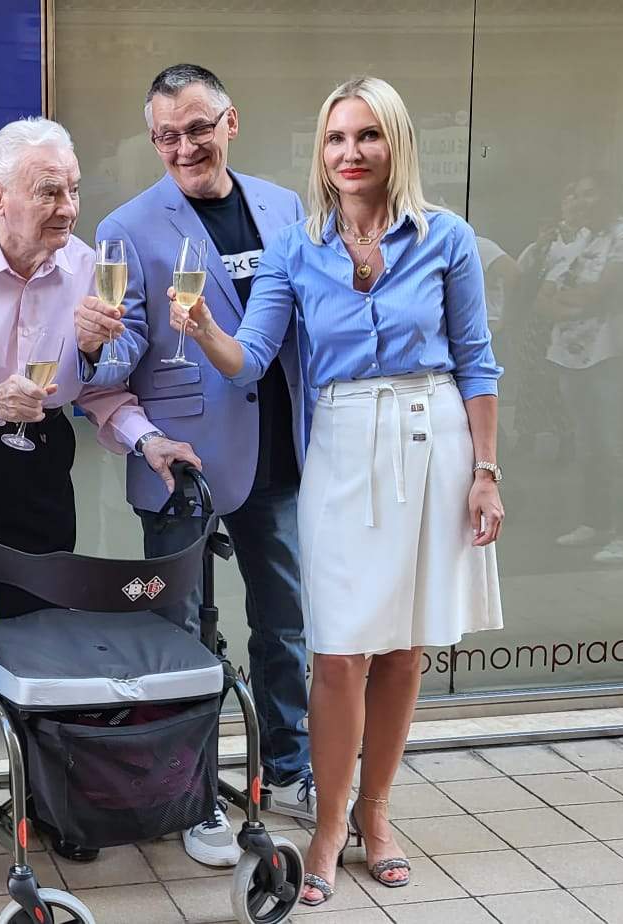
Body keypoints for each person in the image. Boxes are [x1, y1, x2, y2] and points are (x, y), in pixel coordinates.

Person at [174, 76, 504, 906]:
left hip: (434, 441)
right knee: (338, 648)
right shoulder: (297, 247)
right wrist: (204, 328)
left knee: (404, 647)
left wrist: (486, 473)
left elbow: (476, 361)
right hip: (344, 446)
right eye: (335, 138)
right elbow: (248, 359)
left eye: (367, 136)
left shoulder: (447, 238)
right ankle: (327, 823)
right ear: (320, 152)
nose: (350, 153)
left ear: (397, 144)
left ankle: (376, 814)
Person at [0, 116, 199, 864]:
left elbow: (99, 391)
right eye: (49, 191)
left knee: (50, 646)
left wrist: (147, 439)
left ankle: (55, 803)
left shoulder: (87, 268)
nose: (68, 208)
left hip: (36, 468)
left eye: (74, 191)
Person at [71, 64, 316, 869]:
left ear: (230, 123)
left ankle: (291, 767)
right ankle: (191, 789)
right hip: (182, 461)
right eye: (167, 136)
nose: (185, 147)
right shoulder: (127, 226)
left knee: (284, 622)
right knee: (178, 634)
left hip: (276, 450)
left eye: (198, 129)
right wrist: (93, 348)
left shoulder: (284, 207)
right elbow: (120, 357)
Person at [530, 173, 623, 564]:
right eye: (577, 195)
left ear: (611, 195)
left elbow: (607, 292)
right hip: (571, 355)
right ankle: (596, 522)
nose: (582, 202)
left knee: (618, 445)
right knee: (588, 445)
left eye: (590, 194)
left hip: (613, 352)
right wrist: (573, 304)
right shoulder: (581, 239)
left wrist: (569, 303)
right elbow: (542, 299)